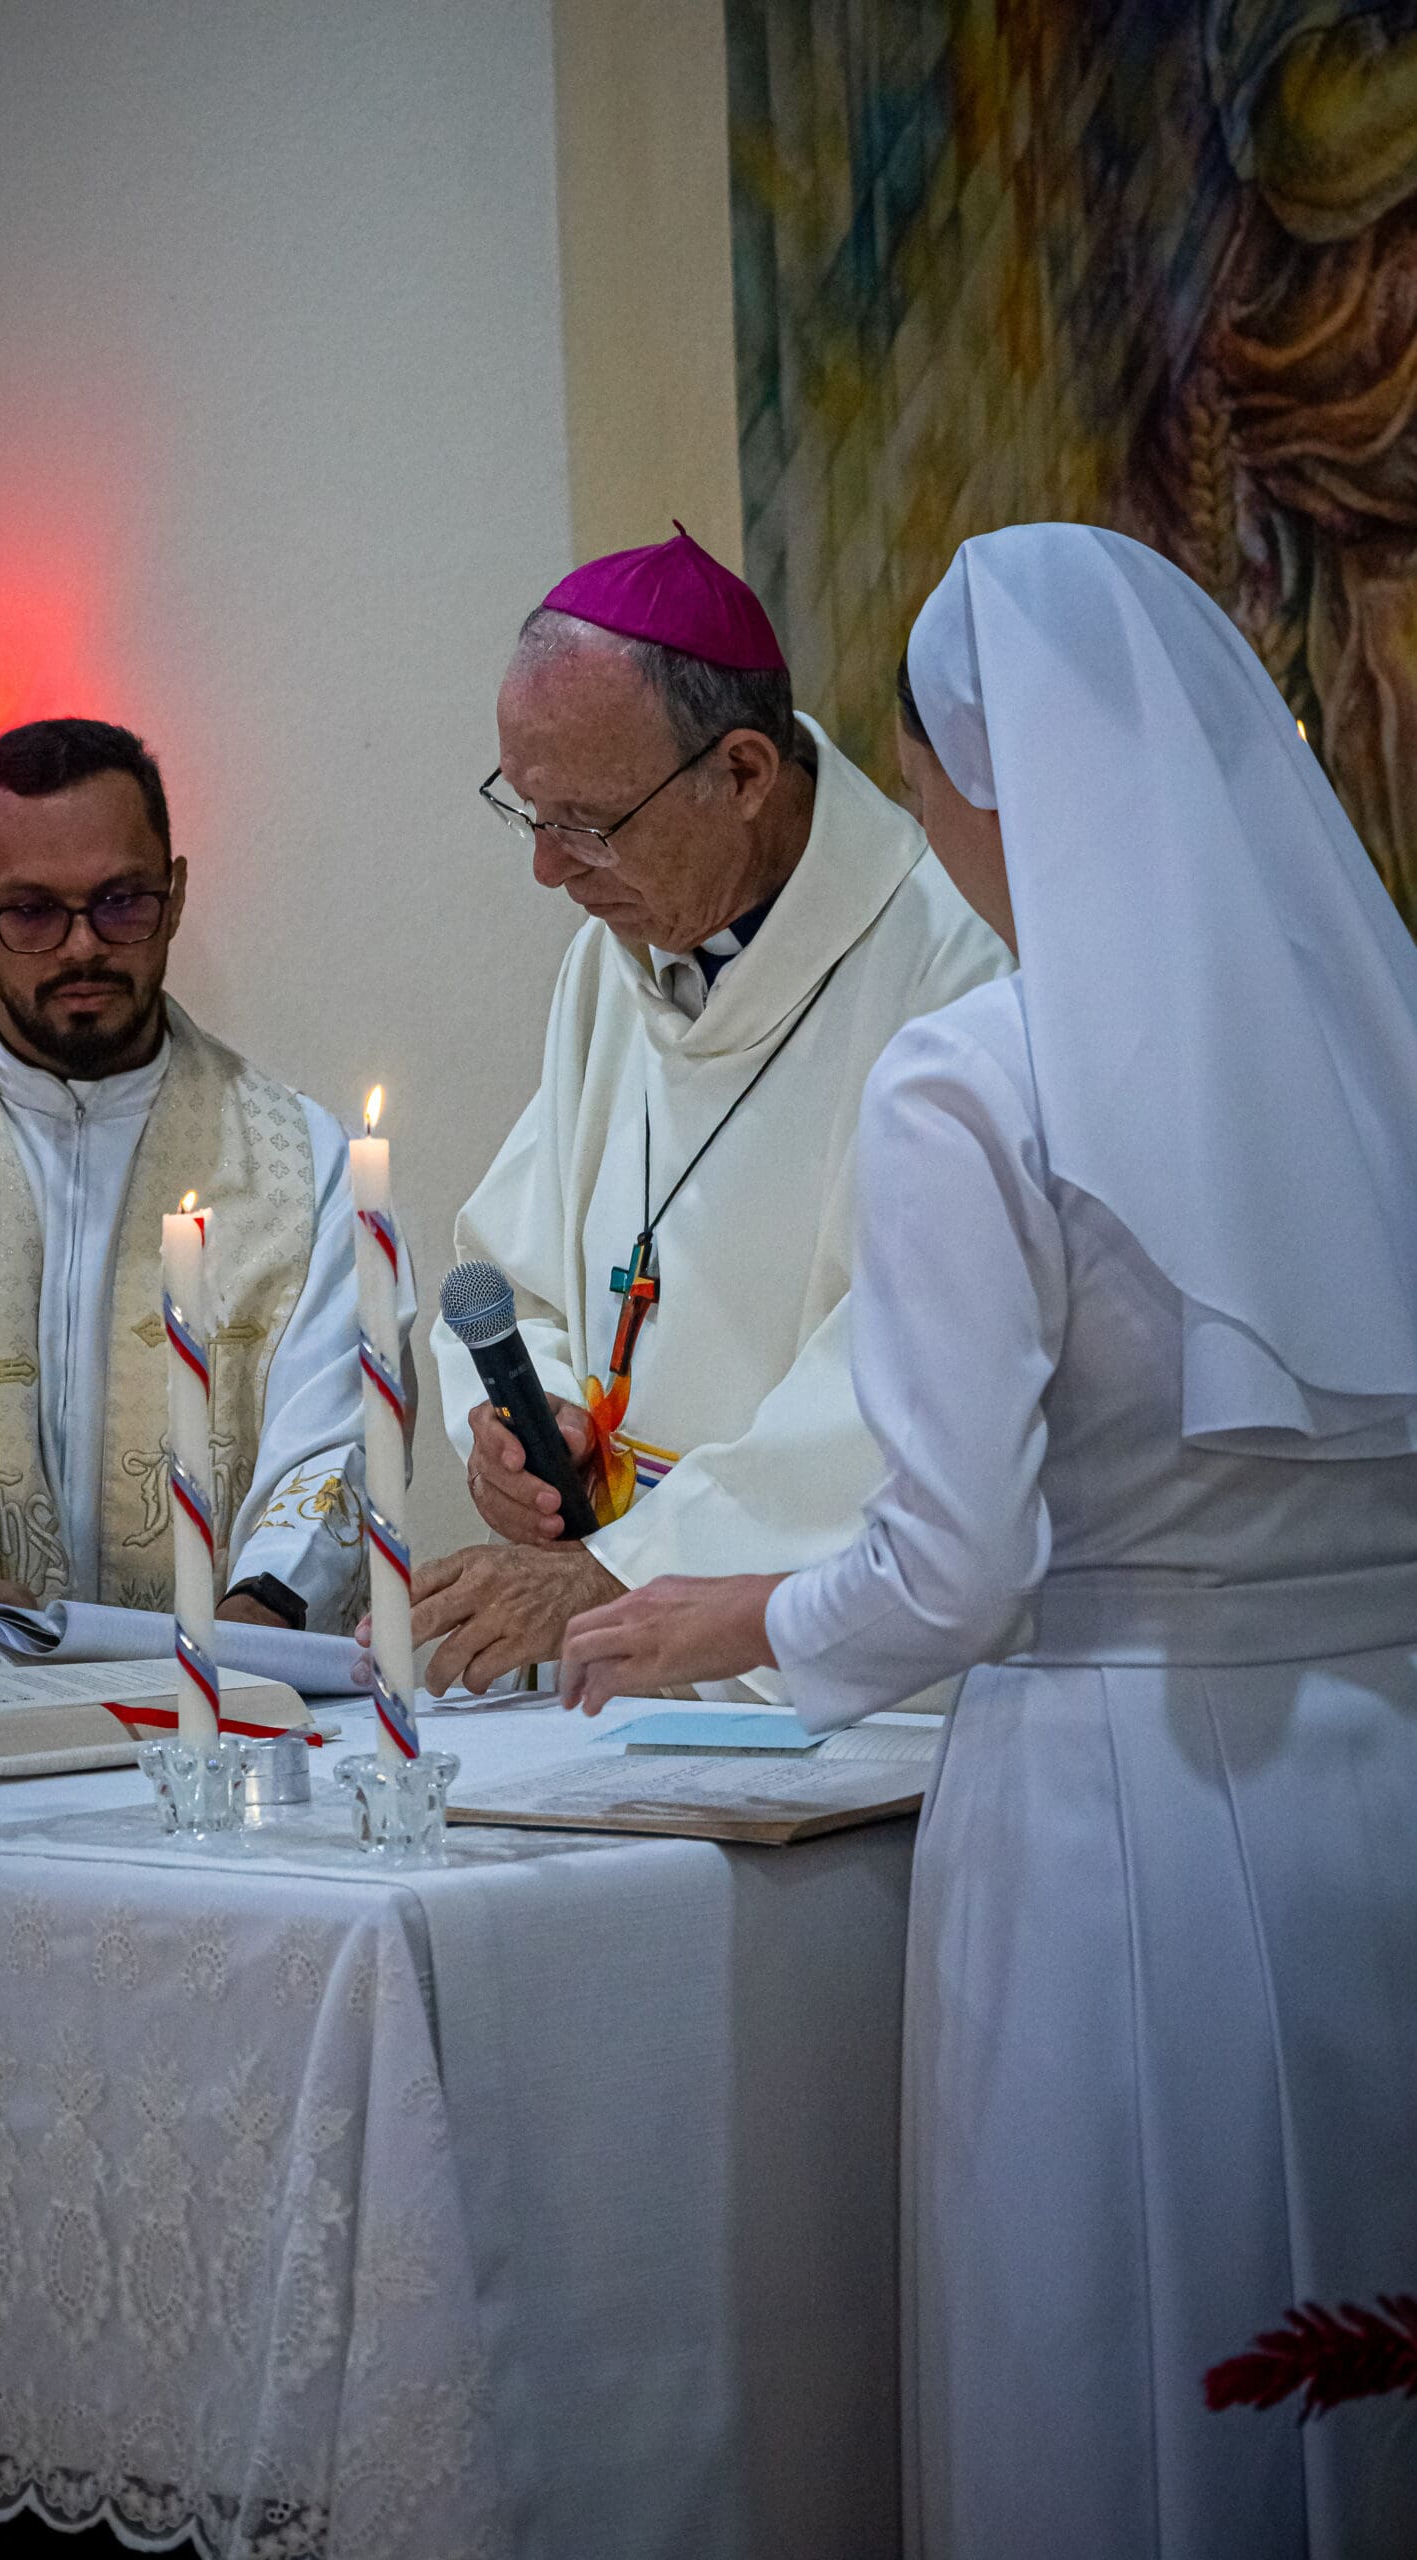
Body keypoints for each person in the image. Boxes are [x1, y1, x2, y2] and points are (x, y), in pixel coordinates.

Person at [559, 525, 1417, 2557]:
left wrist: (720, 1617)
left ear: (987, 777)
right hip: (1377, 1788)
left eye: (928, 777)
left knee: (1116, 2389)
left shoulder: (978, 1075)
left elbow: (949, 1572)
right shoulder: (1373, 1046)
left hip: (1124, 1823)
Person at [416, 525, 1007, 1694]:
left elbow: (919, 1367)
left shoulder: (953, 965)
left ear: (742, 774)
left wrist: (629, 1570)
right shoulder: (614, 959)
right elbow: (513, 1274)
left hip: (842, 1694)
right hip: (634, 1688)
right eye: (527, 812)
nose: (548, 869)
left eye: (587, 824)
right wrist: (518, 1426)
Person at [0, 718, 410, 1642]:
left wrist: (250, 1622)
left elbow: (336, 1435)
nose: (81, 947)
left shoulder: (304, 1163)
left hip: (232, 1690)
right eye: (31, 911)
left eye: (121, 901)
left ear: (175, 897)